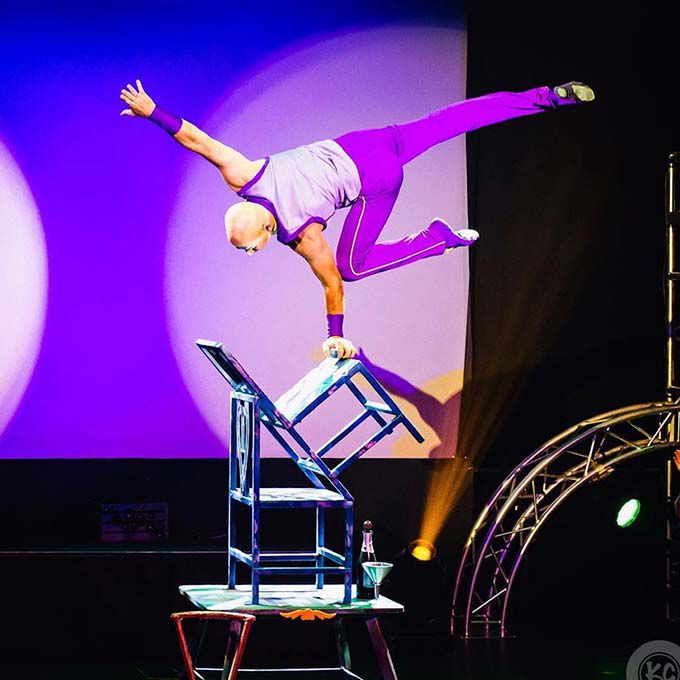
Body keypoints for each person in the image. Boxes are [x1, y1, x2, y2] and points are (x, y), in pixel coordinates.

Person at [120, 79, 594, 359]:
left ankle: (438, 238)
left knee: (350, 265)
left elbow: (333, 284)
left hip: (376, 179)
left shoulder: (303, 235)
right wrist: (153, 111)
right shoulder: (244, 175)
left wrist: (335, 338)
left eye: (248, 247)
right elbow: (199, 141)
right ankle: (548, 96)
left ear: (264, 230)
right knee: (450, 120)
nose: (251, 253)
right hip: (366, 141)